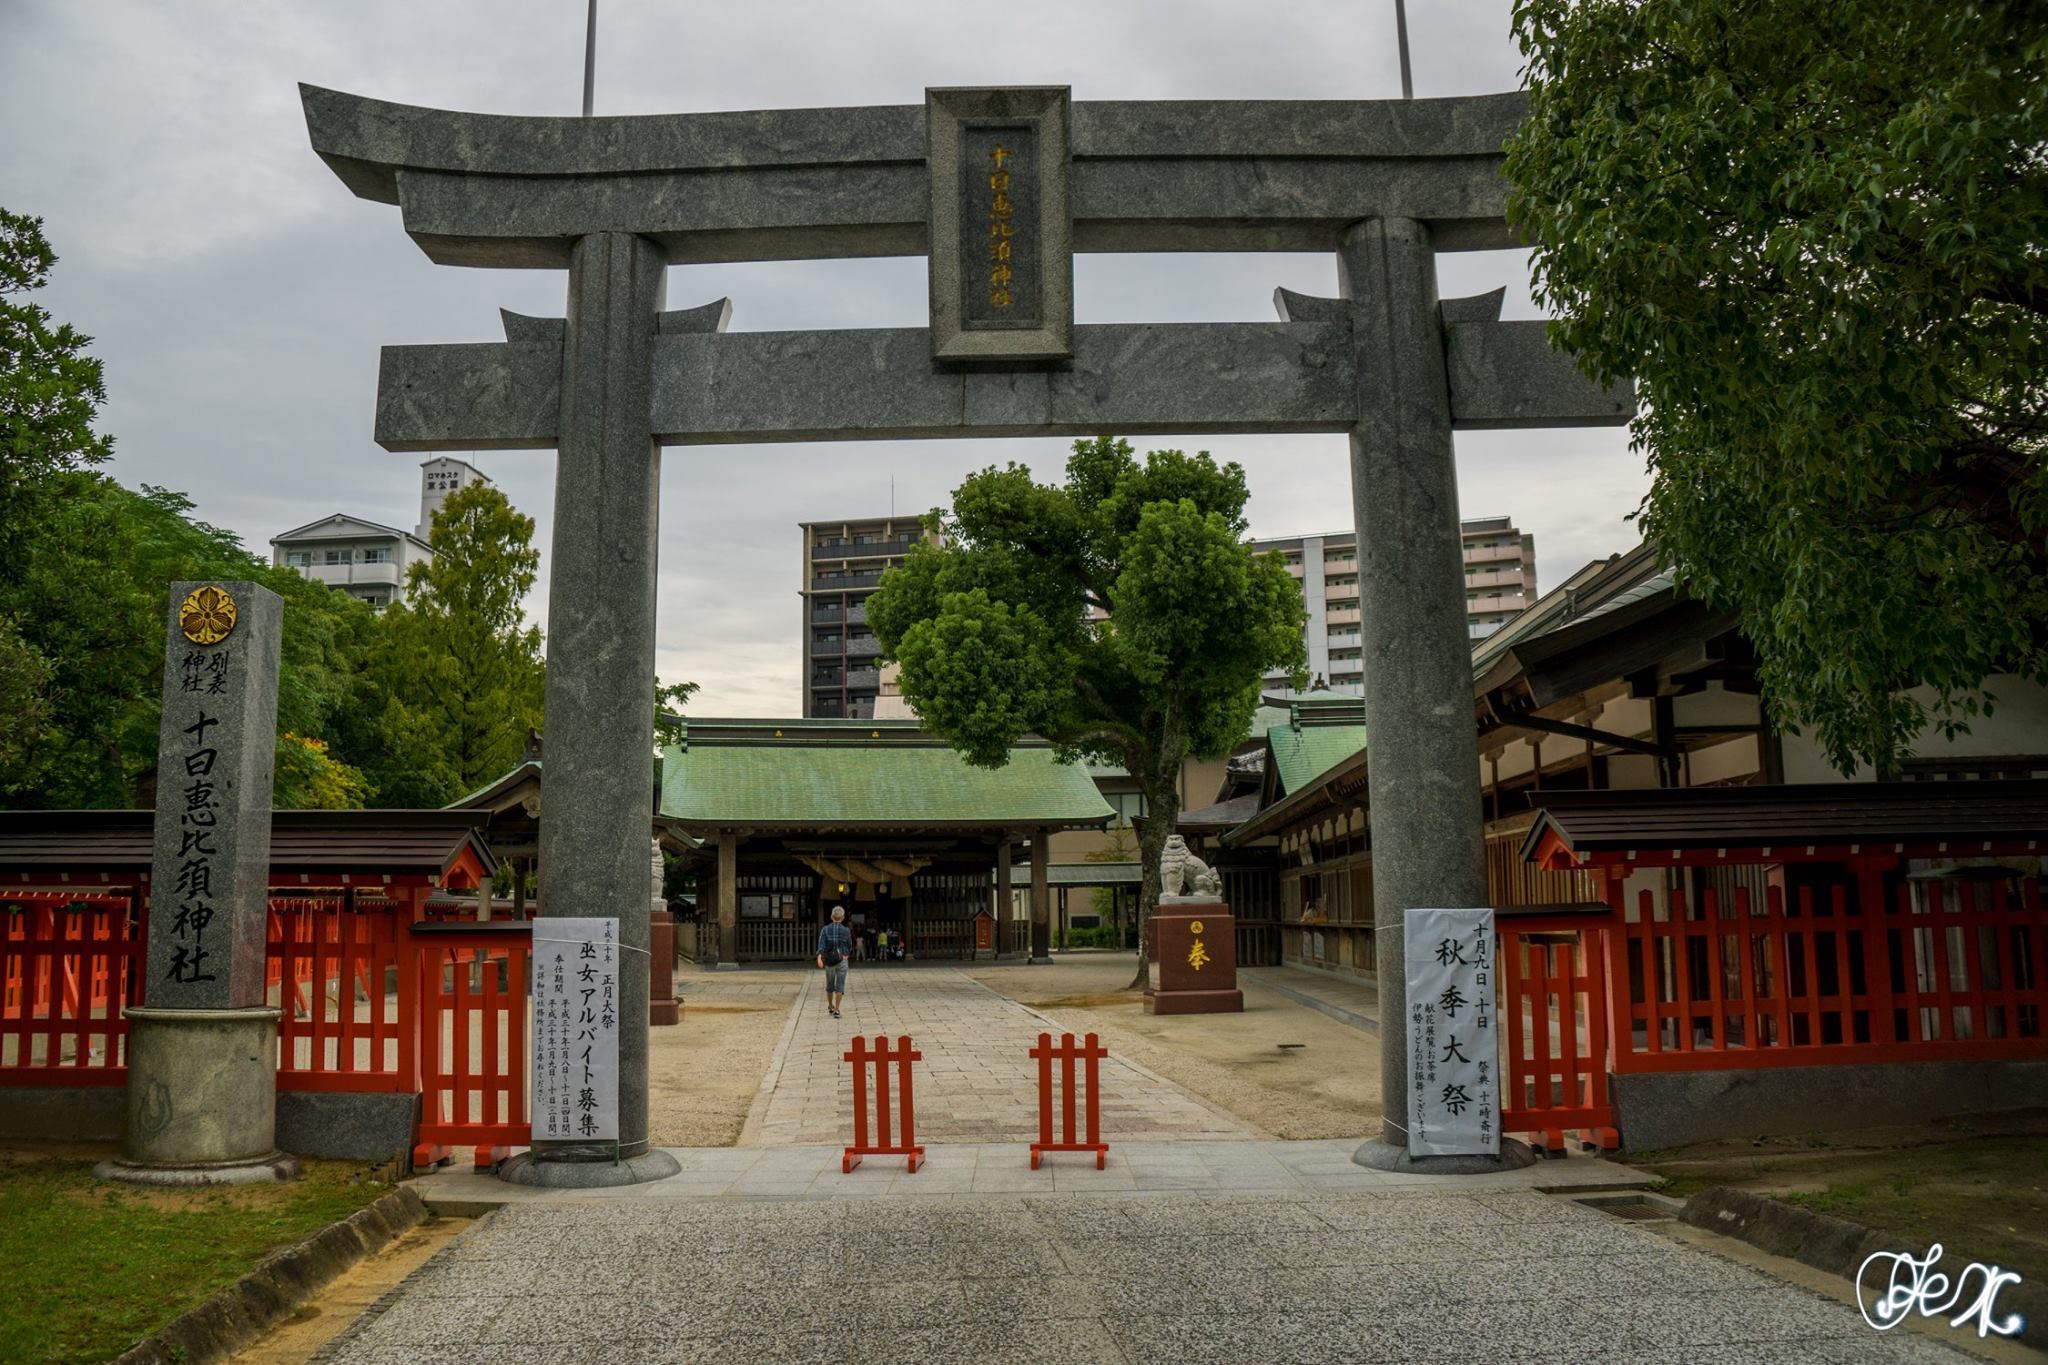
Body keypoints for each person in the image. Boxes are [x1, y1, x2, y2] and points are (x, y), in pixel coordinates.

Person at [815, 905, 853, 1019]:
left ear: (832, 917)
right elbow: (849, 946)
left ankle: (830, 1006)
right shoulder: (846, 930)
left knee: (830, 984)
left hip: (829, 960)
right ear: (842, 918)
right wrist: (846, 955)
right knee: (840, 985)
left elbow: (821, 945)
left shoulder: (825, 929)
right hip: (842, 960)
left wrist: (819, 957)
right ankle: (837, 1009)